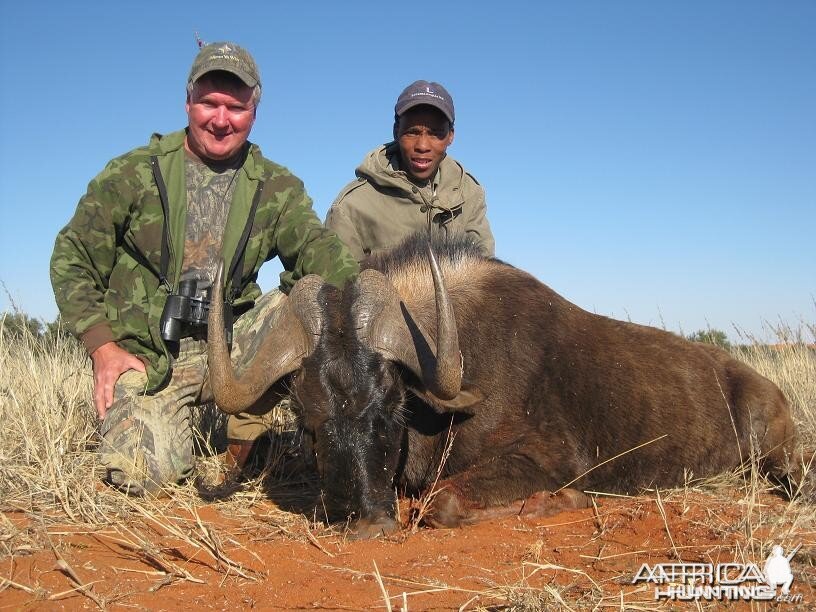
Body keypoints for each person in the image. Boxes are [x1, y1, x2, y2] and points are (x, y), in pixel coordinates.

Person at [50, 41, 358, 496]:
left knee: (311, 300)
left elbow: (317, 248)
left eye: (235, 107)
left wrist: (365, 296)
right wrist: (102, 346)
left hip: (234, 344)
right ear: (187, 101)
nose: (220, 119)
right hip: (153, 358)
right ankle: (179, 436)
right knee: (141, 475)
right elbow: (72, 254)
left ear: (254, 111)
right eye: (209, 103)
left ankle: (303, 440)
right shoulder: (134, 171)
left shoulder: (277, 186)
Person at [325, 80, 495, 262]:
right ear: (396, 131)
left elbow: (484, 271)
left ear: (450, 136)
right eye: (412, 132)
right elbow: (340, 285)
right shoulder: (351, 207)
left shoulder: (469, 194)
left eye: (435, 133)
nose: (422, 146)